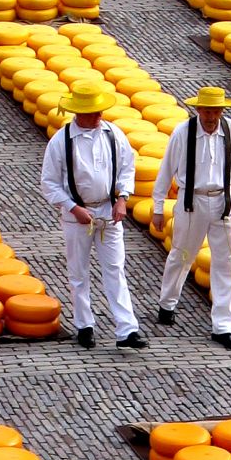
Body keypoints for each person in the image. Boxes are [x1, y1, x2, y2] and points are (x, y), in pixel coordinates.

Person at [41, 80, 147, 351]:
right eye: (94, 113)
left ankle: (127, 329)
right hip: (77, 213)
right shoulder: (61, 141)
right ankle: (84, 324)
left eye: (100, 112)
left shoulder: (114, 134)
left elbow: (127, 169)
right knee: (79, 272)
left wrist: (122, 198)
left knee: (115, 268)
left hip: (109, 212)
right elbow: (49, 182)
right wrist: (73, 207)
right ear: (80, 114)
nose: (100, 116)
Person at [151, 86, 231, 351]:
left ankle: (224, 326)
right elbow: (166, 169)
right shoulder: (183, 133)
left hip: (223, 200)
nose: (210, 115)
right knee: (182, 255)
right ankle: (167, 303)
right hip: (191, 200)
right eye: (207, 110)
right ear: (198, 109)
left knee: (227, 263)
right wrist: (158, 206)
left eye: (215, 110)